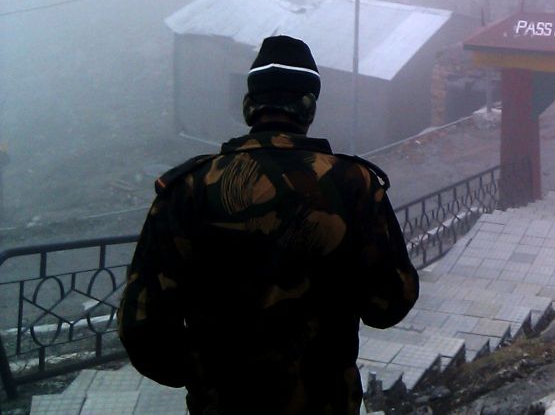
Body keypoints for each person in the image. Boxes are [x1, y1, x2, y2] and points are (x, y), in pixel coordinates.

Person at [118, 35, 419, 414]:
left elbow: (141, 323)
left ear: (248, 106)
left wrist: (201, 374)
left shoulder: (189, 188)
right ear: (308, 109)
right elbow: (389, 304)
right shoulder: (353, 184)